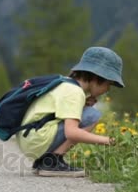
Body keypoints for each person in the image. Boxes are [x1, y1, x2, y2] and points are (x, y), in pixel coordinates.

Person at [16, 47, 124, 177]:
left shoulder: (65, 84)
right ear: (97, 77)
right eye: (109, 83)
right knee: (92, 115)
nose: (107, 89)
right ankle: (52, 162)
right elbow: (71, 133)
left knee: (87, 112)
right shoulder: (74, 92)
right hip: (37, 140)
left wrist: (82, 105)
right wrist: (109, 141)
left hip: (30, 139)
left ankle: (43, 161)